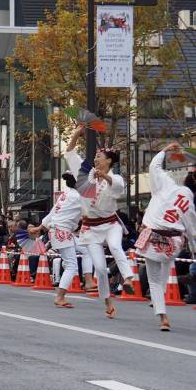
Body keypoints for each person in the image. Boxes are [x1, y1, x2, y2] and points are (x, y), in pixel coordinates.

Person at [65, 126, 133, 318]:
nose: (96, 159)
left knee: (115, 246)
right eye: (95, 157)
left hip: (110, 223)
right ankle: (108, 303)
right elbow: (69, 153)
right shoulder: (85, 173)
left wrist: (106, 178)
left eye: (100, 157)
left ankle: (128, 278)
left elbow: (117, 185)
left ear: (109, 161)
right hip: (90, 228)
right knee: (101, 269)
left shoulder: (116, 177)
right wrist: (76, 135)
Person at [136, 143, 196, 331]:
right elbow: (192, 231)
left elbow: (154, 166)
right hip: (173, 243)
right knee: (167, 264)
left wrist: (165, 150)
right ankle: (159, 297)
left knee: (153, 279)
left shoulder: (166, 184)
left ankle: (162, 316)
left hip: (153, 237)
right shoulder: (188, 203)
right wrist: (194, 251)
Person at [29, 172, 83, 308]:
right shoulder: (78, 196)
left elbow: (53, 212)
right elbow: (89, 212)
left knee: (85, 250)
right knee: (72, 264)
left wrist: (40, 227)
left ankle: (88, 280)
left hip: (57, 230)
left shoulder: (66, 194)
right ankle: (60, 296)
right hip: (63, 231)